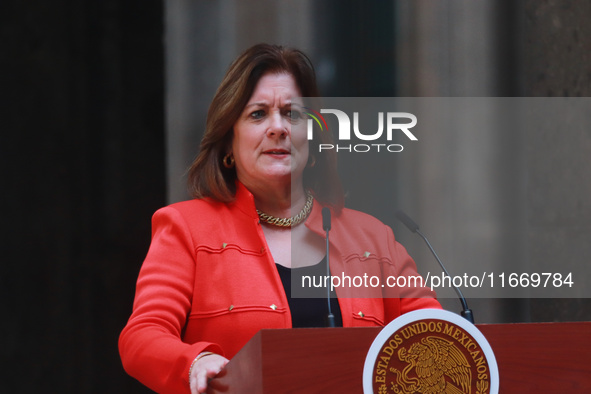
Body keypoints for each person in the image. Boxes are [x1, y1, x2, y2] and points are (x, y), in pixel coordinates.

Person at [119, 43, 440, 394]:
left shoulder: (373, 238)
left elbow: (435, 339)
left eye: (292, 114)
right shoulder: (186, 228)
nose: (279, 128)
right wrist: (194, 362)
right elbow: (142, 337)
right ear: (228, 143)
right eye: (258, 114)